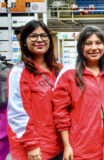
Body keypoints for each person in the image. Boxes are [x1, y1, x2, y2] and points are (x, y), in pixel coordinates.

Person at [52, 25, 104, 160]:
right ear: (80, 47)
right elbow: (60, 113)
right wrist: (67, 146)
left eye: (98, 43)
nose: (94, 48)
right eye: (88, 43)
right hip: (80, 148)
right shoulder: (68, 74)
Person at [6, 20, 63, 160]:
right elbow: (17, 113)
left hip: (58, 144)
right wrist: (31, 144)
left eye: (44, 36)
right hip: (33, 149)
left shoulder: (58, 69)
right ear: (24, 41)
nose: (39, 40)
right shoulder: (19, 72)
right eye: (33, 36)